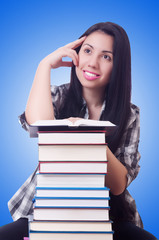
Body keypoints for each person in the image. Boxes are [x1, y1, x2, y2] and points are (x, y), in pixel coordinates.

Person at [0, 22, 157, 240]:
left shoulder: (129, 114)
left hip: (107, 215)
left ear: (118, 65)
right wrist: (44, 65)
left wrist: (88, 135)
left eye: (106, 57)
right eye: (88, 50)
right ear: (77, 53)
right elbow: (37, 123)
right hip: (47, 211)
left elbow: (119, 184)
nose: (92, 63)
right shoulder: (57, 96)